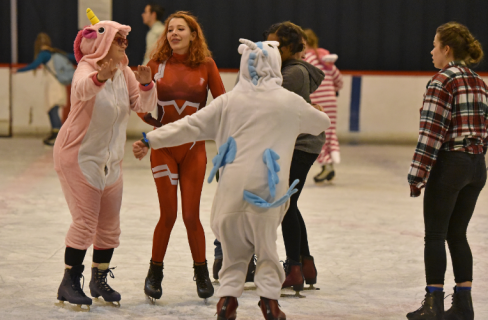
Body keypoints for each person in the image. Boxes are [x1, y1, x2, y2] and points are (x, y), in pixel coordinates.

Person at [133, 37, 331, 320]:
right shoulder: (291, 102)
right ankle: (269, 303)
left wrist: (149, 138)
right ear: (276, 64)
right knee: (266, 250)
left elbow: (187, 126)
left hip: (231, 191)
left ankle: (226, 302)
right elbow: (320, 123)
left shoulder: (227, 102)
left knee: (233, 253)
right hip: (269, 191)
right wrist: (318, 114)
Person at [54, 9, 157, 309]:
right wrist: (100, 76)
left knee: (110, 227)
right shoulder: (85, 69)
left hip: (111, 161)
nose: (125, 43)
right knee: (85, 223)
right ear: (103, 41)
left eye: (125, 39)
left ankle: (99, 280)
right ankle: (69, 281)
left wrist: (148, 85)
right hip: (78, 156)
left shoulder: (125, 73)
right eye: (119, 38)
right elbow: (81, 91)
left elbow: (143, 107)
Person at [137, 11, 225, 302]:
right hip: (163, 150)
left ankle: (201, 273)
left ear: (193, 34)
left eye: (181, 29)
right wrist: (155, 130)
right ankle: (154, 272)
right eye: (171, 29)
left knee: (190, 215)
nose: (174, 33)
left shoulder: (207, 65)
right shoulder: (155, 65)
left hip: (194, 150)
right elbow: (139, 105)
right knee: (168, 215)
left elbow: (223, 106)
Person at [406, 22, 487, 320]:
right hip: (477, 166)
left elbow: (431, 133)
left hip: (451, 164)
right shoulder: (479, 81)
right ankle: (464, 306)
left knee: (435, 235)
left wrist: (417, 175)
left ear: (447, 49)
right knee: (458, 234)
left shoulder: (442, 81)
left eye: (434, 45)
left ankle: (433, 304)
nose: (431, 51)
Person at [264, 22, 325, 294]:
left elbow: (266, 103)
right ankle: (305, 264)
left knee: (285, 203)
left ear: (289, 47)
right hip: (299, 142)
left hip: (301, 145)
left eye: (274, 45)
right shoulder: (289, 70)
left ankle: (295, 268)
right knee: (291, 202)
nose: (269, 50)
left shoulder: (293, 73)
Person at [14, 32, 76, 145]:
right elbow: (72, 57)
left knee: (53, 109)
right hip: (59, 85)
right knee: (53, 109)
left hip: (53, 86)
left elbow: (33, 65)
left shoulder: (44, 54)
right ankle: (56, 132)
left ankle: (58, 134)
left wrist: (18, 70)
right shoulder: (56, 52)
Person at [303, 29, 343, 183]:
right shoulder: (326, 59)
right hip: (331, 101)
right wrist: (333, 90)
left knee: (316, 132)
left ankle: (326, 165)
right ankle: (331, 161)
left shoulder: (306, 59)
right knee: (330, 131)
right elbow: (338, 80)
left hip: (317, 101)